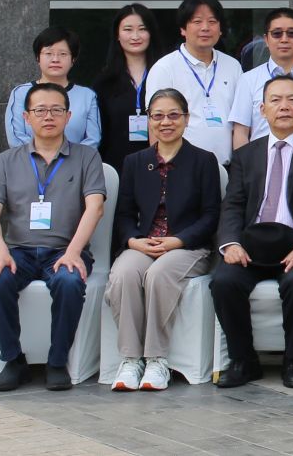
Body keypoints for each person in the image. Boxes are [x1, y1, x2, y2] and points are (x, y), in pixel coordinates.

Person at [210, 75, 293, 389]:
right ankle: (243, 360)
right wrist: (230, 243)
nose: (284, 107)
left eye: (292, 100)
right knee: (224, 281)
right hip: (251, 244)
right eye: (276, 100)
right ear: (262, 109)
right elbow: (233, 204)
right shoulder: (245, 155)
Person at [0, 82, 108, 392]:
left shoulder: (87, 157)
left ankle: (57, 361)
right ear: (26, 117)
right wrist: (0, 251)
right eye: (40, 110)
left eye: (56, 110)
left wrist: (74, 252)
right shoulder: (7, 160)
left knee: (69, 281)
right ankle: (13, 360)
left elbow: (95, 207)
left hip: (65, 250)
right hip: (19, 251)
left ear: (68, 116)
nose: (48, 116)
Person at [106, 88, 220, 392]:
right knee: (124, 273)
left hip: (187, 246)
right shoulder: (134, 162)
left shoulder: (204, 161)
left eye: (173, 115)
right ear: (149, 120)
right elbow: (124, 214)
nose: (165, 122)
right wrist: (133, 241)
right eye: (157, 116)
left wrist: (177, 241)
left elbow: (211, 216)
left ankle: (157, 359)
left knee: (158, 275)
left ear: (186, 118)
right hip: (144, 243)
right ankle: (131, 359)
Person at [145, 0, 243, 165]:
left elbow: (240, 121)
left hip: (226, 167)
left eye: (212, 22)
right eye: (197, 22)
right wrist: (161, 168)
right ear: (183, 29)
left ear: (220, 29)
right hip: (179, 167)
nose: (205, 28)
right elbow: (155, 124)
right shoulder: (165, 68)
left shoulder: (233, 66)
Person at [229, 8, 293, 150]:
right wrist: (245, 163)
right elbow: (241, 132)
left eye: (292, 33)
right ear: (266, 39)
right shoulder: (248, 80)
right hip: (262, 161)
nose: (284, 39)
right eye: (277, 34)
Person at [93, 3, 167, 172]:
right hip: (116, 166)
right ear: (117, 35)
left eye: (142, 29)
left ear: (151, 33)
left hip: (160, 165)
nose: (135, 36)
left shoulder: (166, 74)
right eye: (128, 29)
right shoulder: (104, 82)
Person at [6, 26, 102, 149]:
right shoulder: (20, 93)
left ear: (73, 59)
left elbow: (93, 140)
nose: (55, 59)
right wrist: (44, 155)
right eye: (48, 53)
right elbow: (16, 138)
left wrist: (66, 157)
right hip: (29, 160)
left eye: (63, 54)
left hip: (77, 161)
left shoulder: (87, 96)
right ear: (38, 58)